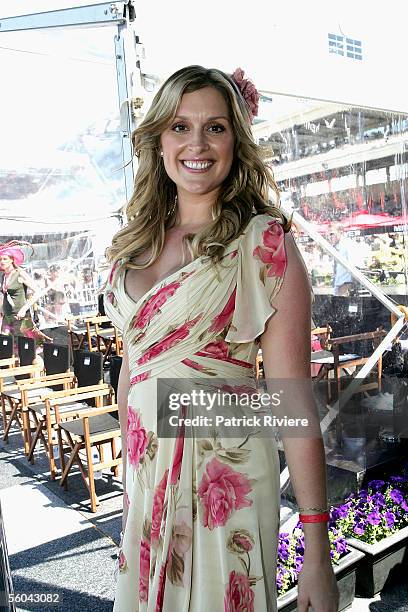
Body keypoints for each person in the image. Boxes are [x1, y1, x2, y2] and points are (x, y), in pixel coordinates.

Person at [104, 65, 339, 612]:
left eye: (215, 127)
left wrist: (317, 555)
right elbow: (132, 367)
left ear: (236, 141)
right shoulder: (132, 245)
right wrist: (132, 477)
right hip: (147, 483)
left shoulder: (264, 243)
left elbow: (292, 404)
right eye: (180, 126)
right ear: (158, 139)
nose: (197, 144)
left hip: (222, 481)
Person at [0, 241, 52, 343]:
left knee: (30, 348)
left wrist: (24, 309)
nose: (2, 261)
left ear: (12, 260)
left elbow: (37, 291)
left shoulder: (20, 273)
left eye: (5, 259)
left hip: (21, 317)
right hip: (8, 317)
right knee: (5, 344)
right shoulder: (3, 276)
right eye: (0, 259)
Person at [328, 225, 357, 297]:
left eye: (332, 234)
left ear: (340, 232)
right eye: (329, 235)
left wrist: (349, 286)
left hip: (345, 284)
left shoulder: (347, 244)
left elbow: (354, 265)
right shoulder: (336, 246)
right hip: (338, 284)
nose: (330, 237)